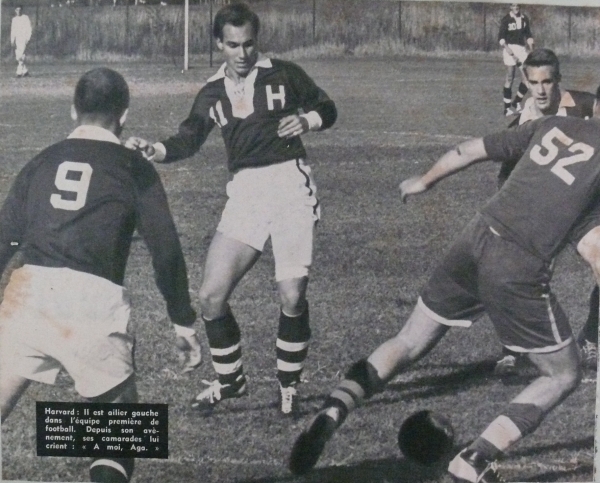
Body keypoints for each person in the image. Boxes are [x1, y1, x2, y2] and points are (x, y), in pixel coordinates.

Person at [289, 87, 600, 481]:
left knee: (408, 341)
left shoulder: (552, 124)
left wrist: (424, 180)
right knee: (563, 374)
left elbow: (468, 150)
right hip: (517, 265)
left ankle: (334, 409)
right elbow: (593, 246)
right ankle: (474, 458)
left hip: (474, 239)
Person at [126, 2, 337, 418]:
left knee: (292, 294)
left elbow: (327, 107)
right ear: (219, 45)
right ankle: (230, 381)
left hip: (290, 186)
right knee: (210, 297)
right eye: (234, 45)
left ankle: (288, 386)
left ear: (257, 42)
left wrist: (308, 121)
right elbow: (189, 138)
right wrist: (156, 150)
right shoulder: (212, 92)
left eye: (249, 44)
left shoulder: (284, 74)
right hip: (246, 193)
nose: (243, 53)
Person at [0, 67, 201, 483]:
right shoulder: (133, 166)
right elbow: (165, 250)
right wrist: (182, 321)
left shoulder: (42, 160)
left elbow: (3, 240)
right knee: (118, 432)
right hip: (91, 301)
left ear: (73, 110)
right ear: (123, 115)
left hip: (29, 294)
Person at [494, 48, 597, 375]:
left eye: (547, 82)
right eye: (534, 83)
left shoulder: (584, 106)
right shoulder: (523, 124)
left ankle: (591, 339)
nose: (541, 91)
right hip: (540, 209)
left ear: (558, 80)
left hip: (583, 210)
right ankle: (512, 350)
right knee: (519, 272)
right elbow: (507, 178)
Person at [498, 3, 534, 116]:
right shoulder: (506, 19)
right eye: (513, 6)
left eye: (517, 5)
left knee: (527, 77)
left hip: (522, 50)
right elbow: (501, 37)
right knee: (510, 77)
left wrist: (531, 47)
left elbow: (528, 34)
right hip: (510, 48)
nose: (516, 8)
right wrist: (507, 48)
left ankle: (516, 102)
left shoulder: (524, 18)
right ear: (510, 7)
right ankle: (507, 108)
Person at [10, 6, 32, 78]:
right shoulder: (14, 19)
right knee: (18, 55)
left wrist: (28, 38)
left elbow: (29, 29)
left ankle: (19, 72)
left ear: (22, 10)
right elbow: (13, 30)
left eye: (19, 10)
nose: (18, 11)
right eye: (17, 10)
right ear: (15, 11)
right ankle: (25, 71)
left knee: (21, 55)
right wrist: (12, 40)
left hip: (23, 39)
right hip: (17, 39)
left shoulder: (25, 18)